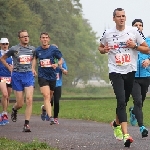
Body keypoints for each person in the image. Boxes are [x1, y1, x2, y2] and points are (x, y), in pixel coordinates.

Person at [98, 8, 149, 147]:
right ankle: (126, 134)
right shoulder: (108, 33)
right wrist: (105, 50)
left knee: (124, 101)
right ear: (113, 18)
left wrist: (135, 46)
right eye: (118, 16)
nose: (121, 18)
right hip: (115, 71)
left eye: (123, 16)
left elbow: (147, 49)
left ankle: (115, 124)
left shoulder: (133, 32)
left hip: (130, 71)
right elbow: (100, 48)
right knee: (121, 100)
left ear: (125, 18)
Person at [0, 30, 35, 132]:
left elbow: (34, 59)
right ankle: (14, 109)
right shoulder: (14, 49)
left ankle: (26, 124)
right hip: (17, 76)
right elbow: (2, 58)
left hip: (28, 75)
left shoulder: (32, 49)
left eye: (27, 36)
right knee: (20, 103)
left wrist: (33, 68)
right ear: (19, 38)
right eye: (23, 36)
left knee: (29, 99)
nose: (26, 38)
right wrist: (9, 68)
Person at [32, 32, 63, 125]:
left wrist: (57, 64)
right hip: (42, 76)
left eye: (46, 38)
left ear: (48, 39)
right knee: (46, 96)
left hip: (52, 76)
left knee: (49, 97)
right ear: (40, 39)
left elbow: (61, 59)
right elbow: (34, 59)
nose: (44, 39)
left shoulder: (54, 49)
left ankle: (44, 108)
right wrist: (33, 69)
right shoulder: (37, 50)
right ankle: (50, 117)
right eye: (43, 38)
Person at [128, 19, 150, 138]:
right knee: (138, 101)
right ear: (132, 28)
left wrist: (149, 60)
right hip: (133, 76)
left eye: (140, 25)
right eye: (136, 25)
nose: (138, 27)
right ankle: (142, 127)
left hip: (146, 76)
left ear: (143, 28)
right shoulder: (128, 42)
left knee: (140, 103)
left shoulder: (148, 41)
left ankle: (133, 111)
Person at [0, 38, 13, 126]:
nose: (5, 45)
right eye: (3, 44)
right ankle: (4, 114)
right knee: (4, 94)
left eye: (6, 44)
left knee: (7, 96)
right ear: (0, 44)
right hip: (1, 77)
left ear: (8, 44)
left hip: (10, 77)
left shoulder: (11, 54)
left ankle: (4, 112)